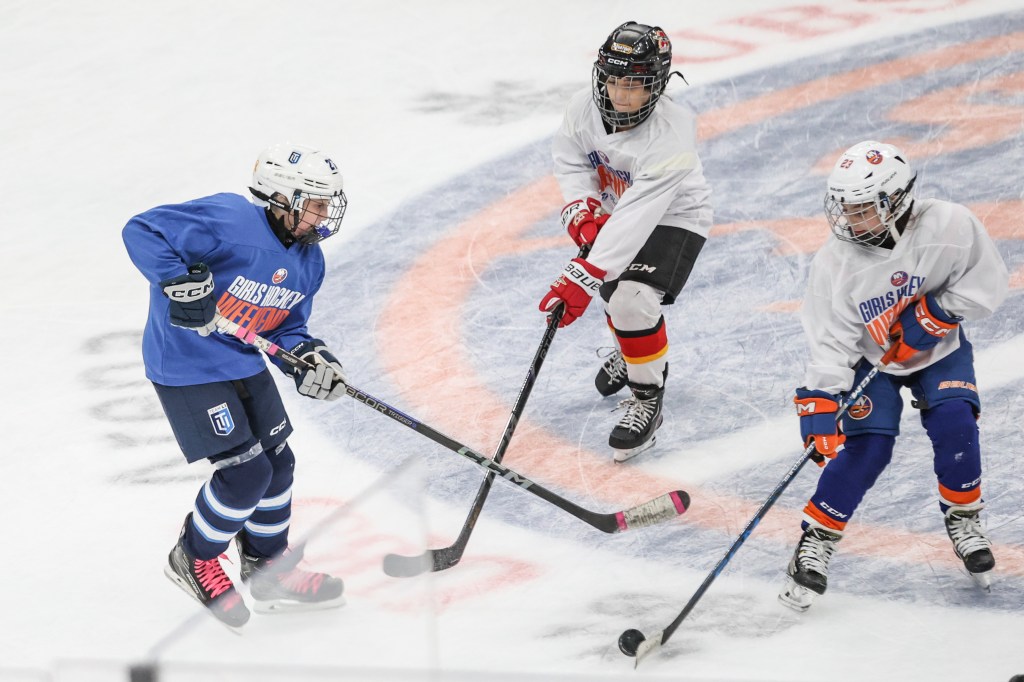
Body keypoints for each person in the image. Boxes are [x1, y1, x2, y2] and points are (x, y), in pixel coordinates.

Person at [122, 143, 350, 627]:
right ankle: (194, 556)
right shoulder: (227, 218)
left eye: (328, 203)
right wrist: (177, 280)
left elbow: (287, 327)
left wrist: (309, 357)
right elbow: (142, 229)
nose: (324, 214)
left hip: (243, 361)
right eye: (315, 202)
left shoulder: (311, 262)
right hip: (186, 365)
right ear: (281, 197)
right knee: (245, 474)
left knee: (280, 465)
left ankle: (268, 570)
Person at [778, 140, 1009, 612]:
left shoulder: (949, 224)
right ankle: (816, 538)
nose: (848, 219)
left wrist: (937, 314)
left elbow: (987, 281)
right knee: (868, 448)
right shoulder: (835, 262)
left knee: (956, 424)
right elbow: (829, 339)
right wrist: (821, 397)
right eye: (844, 207)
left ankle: (964, 518)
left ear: (899, 199)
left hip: (938, 350)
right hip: (871, 360)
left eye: (863, 208)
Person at [538, 21, 713, 462]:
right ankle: (631, 349)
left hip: (673, 215)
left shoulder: (672, 131)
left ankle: (647, 397)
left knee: (631, 298)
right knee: (615, 295)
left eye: (634, 85)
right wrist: (581, 207)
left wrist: (585, 274)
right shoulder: (583, 108)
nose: (620, 94)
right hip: (622, 210)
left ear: (657, 84)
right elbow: (571, 159)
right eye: (614, 80)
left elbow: (638, 216)